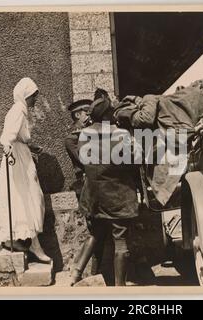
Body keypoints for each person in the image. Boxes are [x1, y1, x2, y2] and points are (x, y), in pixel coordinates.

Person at [70, 94, 139, 286]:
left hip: (94, 197)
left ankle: (75, 276)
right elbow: (132, 162)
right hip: (118, 196)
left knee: (95, 234)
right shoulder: (121, 134)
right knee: (121, 240)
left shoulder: (84, 135)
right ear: (109, 116)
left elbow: (85, 162)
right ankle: (119, 287)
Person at [0, 77, 50, 263]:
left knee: (27, 198)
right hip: (17, 160)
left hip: (21, 154)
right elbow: (7, 137)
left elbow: (19, 137)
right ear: (25, 95)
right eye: (33, 96)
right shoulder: (18, 110)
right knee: (27, 198)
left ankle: (23, 241)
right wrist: (9, 148)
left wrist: (31, 146)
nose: (35, 99)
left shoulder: (21, 110)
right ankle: (33, 245)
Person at [64, 99, 92, 198]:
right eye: (87, 113)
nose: (90, 117)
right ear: (77, 115)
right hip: (87, 182)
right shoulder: (71, 139)